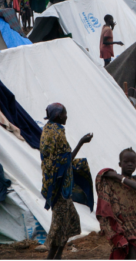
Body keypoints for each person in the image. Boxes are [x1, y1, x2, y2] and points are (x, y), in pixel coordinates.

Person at [40, 103, 94, 260]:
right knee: (59, 227)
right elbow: (66, 159)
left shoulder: (47, 130)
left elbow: (55, 159)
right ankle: (51, 257)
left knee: (71, 221)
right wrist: (81, 142)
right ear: (58, 116)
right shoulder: (57, 133)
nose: (66, 117)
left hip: (54, 182)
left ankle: (58, 256)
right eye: (65, 114)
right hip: (60, 187)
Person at [96, 148, 136, 259]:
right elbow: (101, 175)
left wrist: (117, 176)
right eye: (126, 162)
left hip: (132, 226)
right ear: (120, 164)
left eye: (132, 162)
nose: (130, 165)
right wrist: (114, 176)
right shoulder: (112, 183)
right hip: (119, 226)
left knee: (133, 252)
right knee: (121, 251)